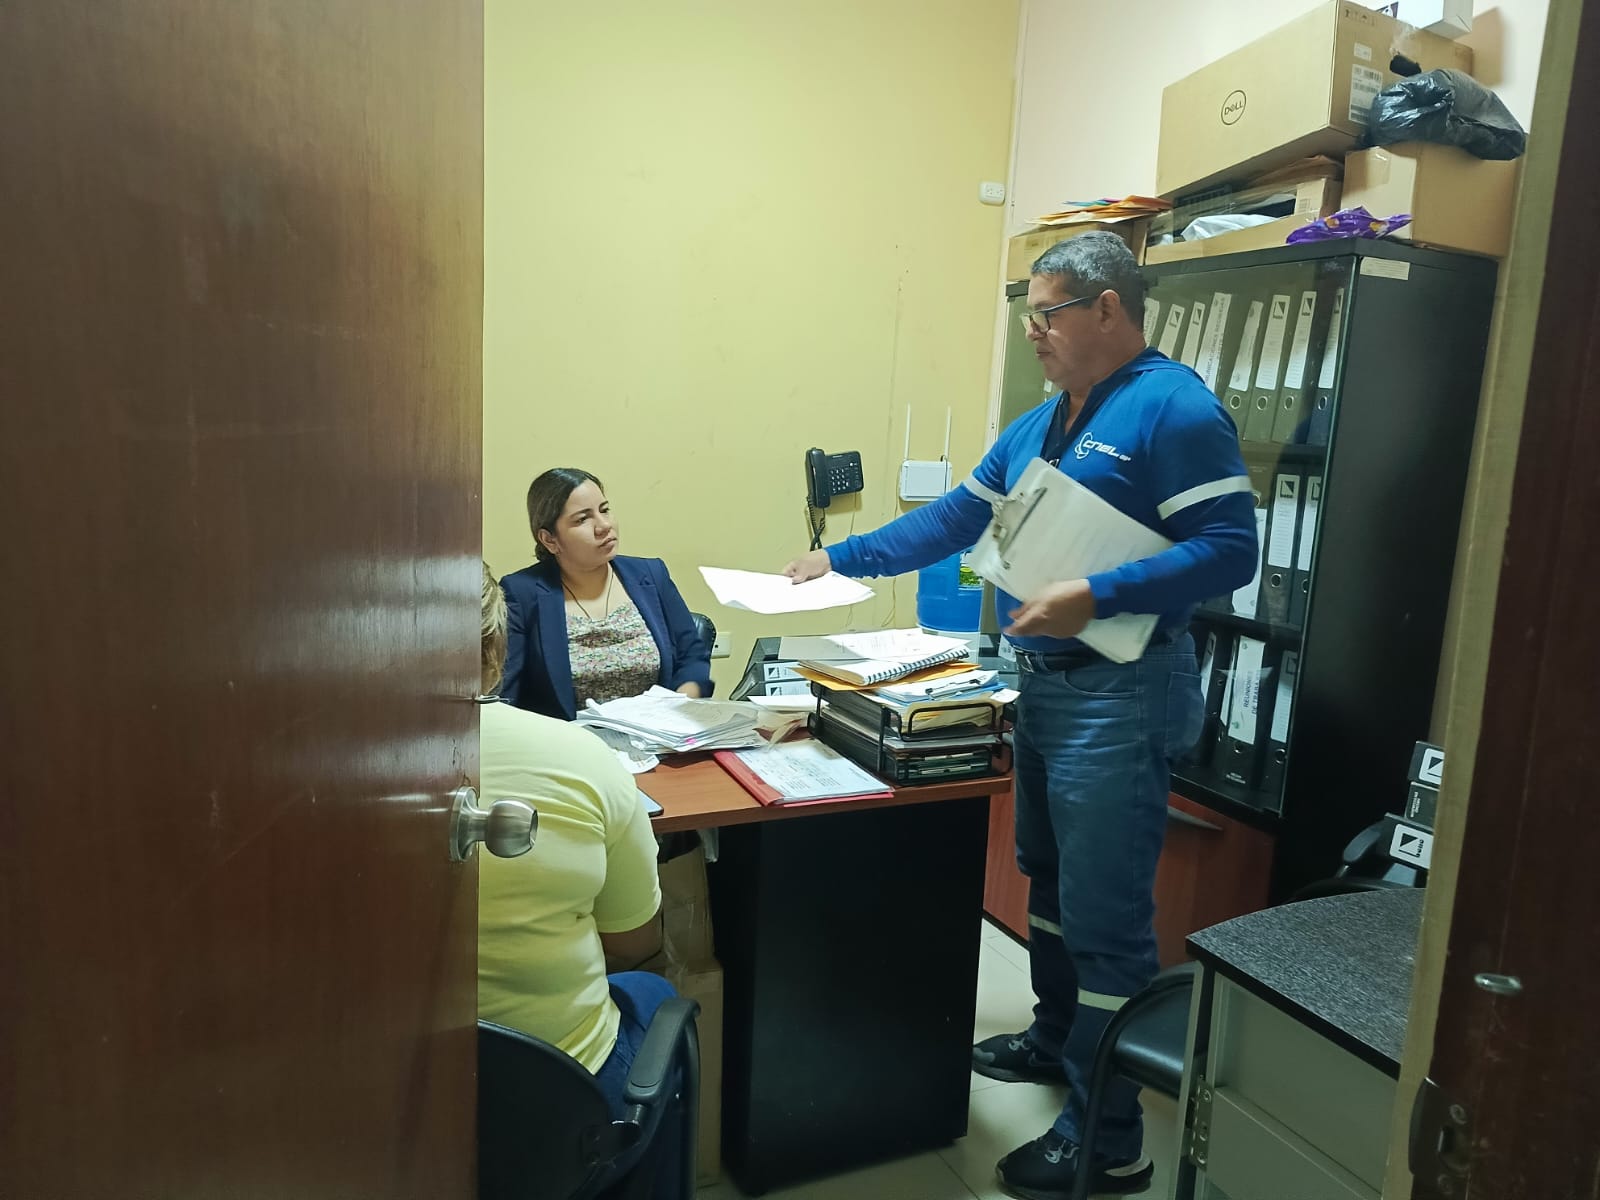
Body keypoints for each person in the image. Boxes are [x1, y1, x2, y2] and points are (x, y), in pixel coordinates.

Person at [785, 232, 1257, 1199]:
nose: (1033, 331)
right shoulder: (1043, 421)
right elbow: (955, 519)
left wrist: (1098, 593)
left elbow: (1230, 549)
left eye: (1047, 313)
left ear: (1108, 310)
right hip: (1043, 685)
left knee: (1106, 916)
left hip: (1122, 691)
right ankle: (1054, 1036)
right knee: (1047, 878)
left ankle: (1108, 1139)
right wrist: (841, 558)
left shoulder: (1174, 407)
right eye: (1029, 315)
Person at [477, 560, 686, 1194]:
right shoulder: (581, 758)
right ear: (495, 650)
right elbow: (632, 940)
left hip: (376, 1102)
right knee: (655, 998)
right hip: (553, 1098)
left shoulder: (297, 773)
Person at [499, 468, 713, 719]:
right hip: (568, 739)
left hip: (656, 734)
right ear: (550, 539)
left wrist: (678, 707)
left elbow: (692, 657)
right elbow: (506, 694)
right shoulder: (521, 592)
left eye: (604, 510)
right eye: (582, 519)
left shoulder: (651, 574)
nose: (604, 525)